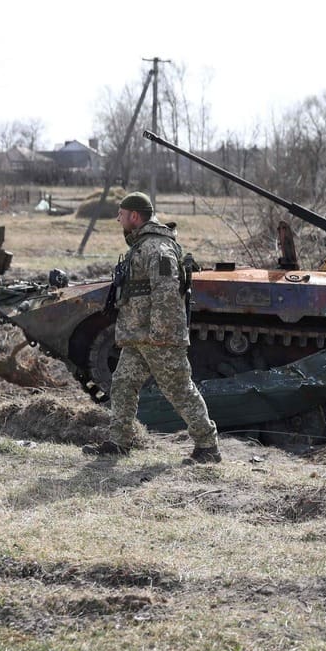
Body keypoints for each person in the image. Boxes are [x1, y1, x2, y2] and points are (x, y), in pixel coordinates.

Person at [83, 192, 221, 463]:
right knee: (122, 384)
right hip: (138, 336)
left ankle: (208, 446)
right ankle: (119, 442)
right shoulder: (142, 245)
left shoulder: (157, 248)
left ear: (135, 216)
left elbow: (167, 293)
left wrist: (160, 334)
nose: (118, 219)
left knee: (179, 389)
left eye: (121, 214)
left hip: (158, 337)